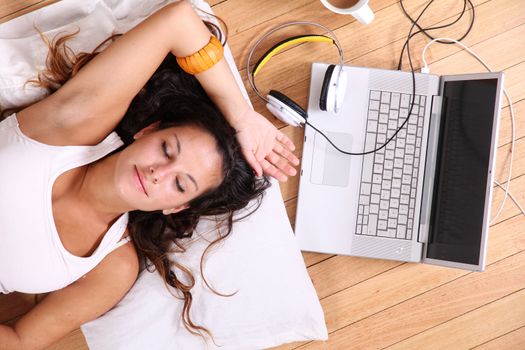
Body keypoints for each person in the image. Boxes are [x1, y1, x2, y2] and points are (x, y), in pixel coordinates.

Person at [0, 2, 299, 349]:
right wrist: (243, 117)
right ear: (148, 131)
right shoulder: (77, 123)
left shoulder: (112, 266)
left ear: (176, 207)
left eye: (180, 183)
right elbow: (179, 21)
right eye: (167, 149)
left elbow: (20, 340)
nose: (159, 173)